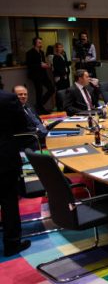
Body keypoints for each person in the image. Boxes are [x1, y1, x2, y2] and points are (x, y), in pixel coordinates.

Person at [0, 89, 32, 256]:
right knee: (8, 201)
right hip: (4, 156)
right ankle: (12, 243)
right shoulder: (7, 98)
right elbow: (22, 126)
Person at [25, 37, 54, 114]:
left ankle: (39, 105)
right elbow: (30, 65)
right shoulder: (30, 52)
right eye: (39, 42)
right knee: (39, 91)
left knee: (51, 88)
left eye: (41, 42)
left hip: (43, 74)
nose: (41, 44)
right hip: (36, 75)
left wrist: (46, 64)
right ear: (35, 43)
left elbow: (42, 62)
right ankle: (40, 108)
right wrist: (40, 65)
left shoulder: (41, 52)